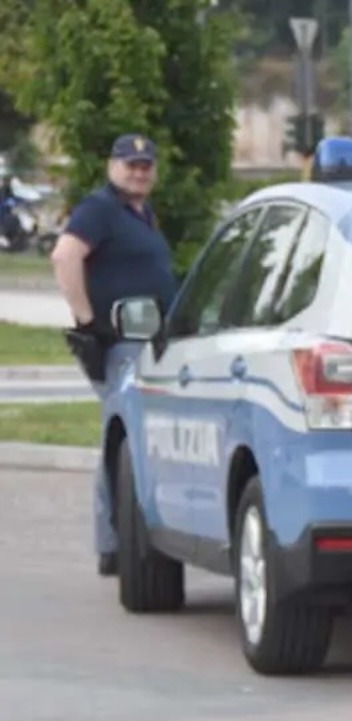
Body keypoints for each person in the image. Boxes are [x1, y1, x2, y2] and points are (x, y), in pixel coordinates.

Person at [50, 133, 177, 578]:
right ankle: (113, 544)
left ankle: (125, 537)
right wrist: (88, 321)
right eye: (130, 164)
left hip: (146, 340)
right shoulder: (99, 209)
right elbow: (65, 256)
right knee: (119, 441)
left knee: (129, 440)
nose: (139, 171)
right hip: (120, 341)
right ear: (112, 166)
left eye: (145, 164)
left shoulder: (140, 213)